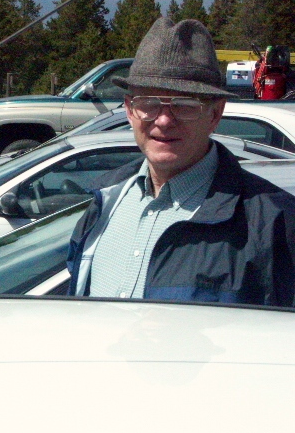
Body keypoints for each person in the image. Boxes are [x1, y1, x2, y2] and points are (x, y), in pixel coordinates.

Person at [67, 17, 295, 305]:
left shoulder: (273, 223)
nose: (163, 121)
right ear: (129, 111)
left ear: (215, 114)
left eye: (184, 105)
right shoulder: (105, 204)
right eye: (149, 103)